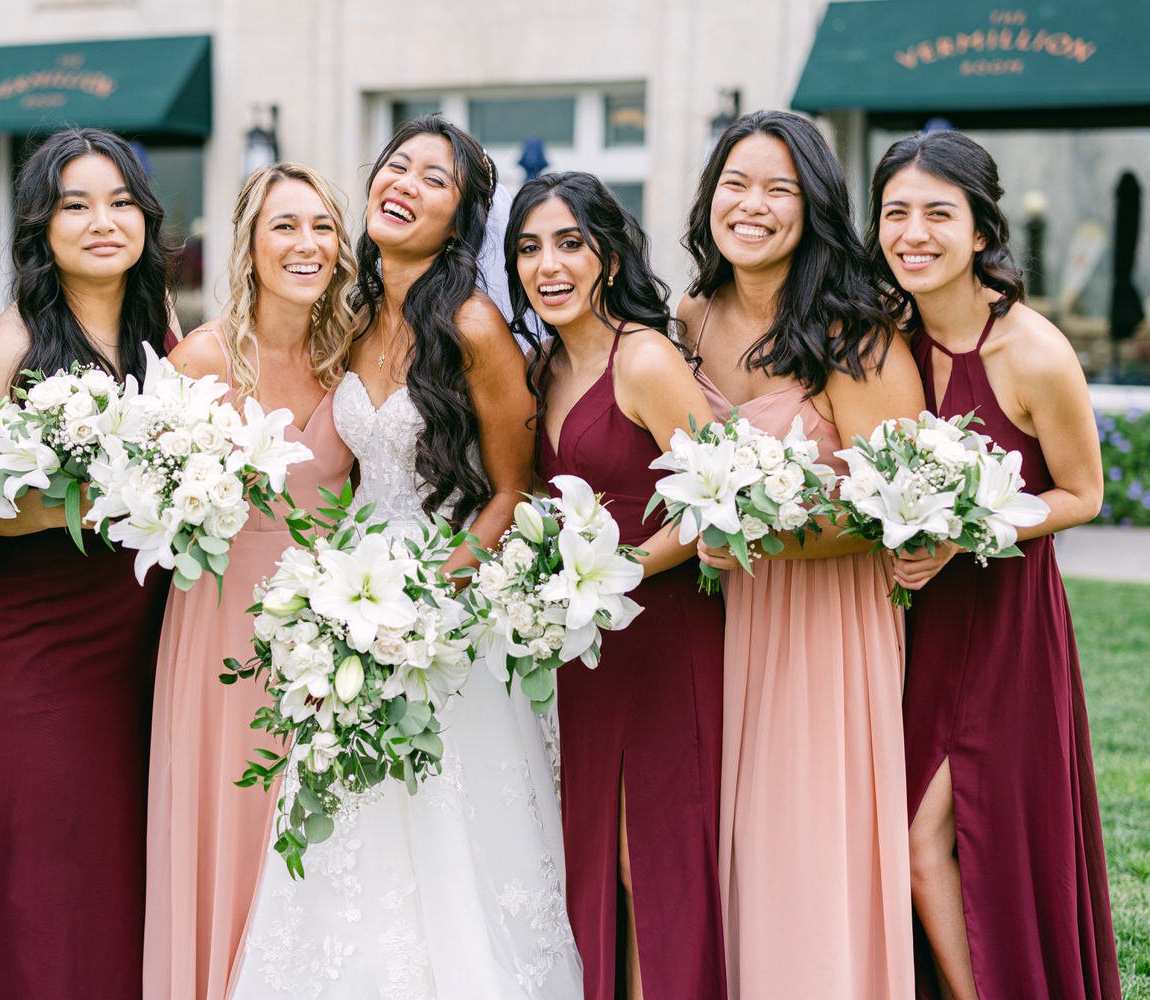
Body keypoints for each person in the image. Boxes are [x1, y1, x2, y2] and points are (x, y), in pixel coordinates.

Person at [229, 113, 583, 999]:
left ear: (461, 220)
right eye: (397, 166)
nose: (405, 184)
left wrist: (426, 596)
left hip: (448, 618)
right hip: (350, 607)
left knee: (456, 839)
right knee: (356, 839)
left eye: (434, 178)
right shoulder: (350, 319)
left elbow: (512, 490)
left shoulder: (473, 326)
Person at [677, 110, 924, 1000]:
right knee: (735, 840)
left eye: (779, 188)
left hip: (827, 624)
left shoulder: (854, 334)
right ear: (710, 197)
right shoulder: (688, 317)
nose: (752, 205)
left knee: (807, 837)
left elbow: (900, 511)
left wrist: (759, 532)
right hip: (723, 617)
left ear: (813, 205)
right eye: (736, 184)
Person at [869, 129, 1120, 1000]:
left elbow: (1082, 494)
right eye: (895, 212)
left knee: (923, 840)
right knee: (899, 839)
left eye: (939, 213)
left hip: (1001, 623)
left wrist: (969, 527)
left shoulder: (1034, 352)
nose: (913, 233)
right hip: (907, 625)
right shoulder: (880, 339)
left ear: (981, 231)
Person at [0, 127, 175, 1000]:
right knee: (54, 835)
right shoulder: (11, 342)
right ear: (42, 225)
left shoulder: (158, 327)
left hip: (140, 620)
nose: (102, 221)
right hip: (42, 631)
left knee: (124, 834)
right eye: (76, 204)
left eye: (121, 202)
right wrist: (106, 498)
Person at [142, 162, 357, 1000]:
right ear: (250, 244)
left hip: (334, 631)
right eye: (285, 227)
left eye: (322, 228)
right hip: (221, 623)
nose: (306, 245)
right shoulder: (200, 358)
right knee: (228, 820)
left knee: (321, 835)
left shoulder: (354, 356)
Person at [510, 171, 726, 1000]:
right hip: (581, 645)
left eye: (569, 242)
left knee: (649, 858)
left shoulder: (643, 357)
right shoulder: (540, 368)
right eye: (529, 248)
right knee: (590, 849)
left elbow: (720, 495)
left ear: (606, 254)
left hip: (662, 634)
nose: (548, 264)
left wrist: (621, 573)